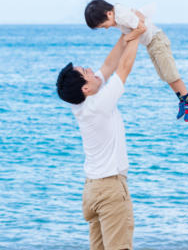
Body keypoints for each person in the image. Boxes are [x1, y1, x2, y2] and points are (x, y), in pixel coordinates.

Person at [56, 20, 146, 250]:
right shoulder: (99, 104)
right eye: (86, 72)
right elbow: (123, 68)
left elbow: (108, 64)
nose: (92, 71)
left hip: (92, 191)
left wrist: (126, 33)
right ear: (85, 88)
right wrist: (138, 34)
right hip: (110, 190)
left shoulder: (80, 104)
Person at [84, 0, 188, 122]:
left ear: (109, 14)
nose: (106, 28)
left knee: (170, 75)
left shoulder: (121, 16)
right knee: (165, 75)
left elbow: (141, 28)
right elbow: (138, 17)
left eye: (103, 25)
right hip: (151, 43)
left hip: (156, 40)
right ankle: (182, 100)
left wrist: (127, 38)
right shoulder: (118, 15)